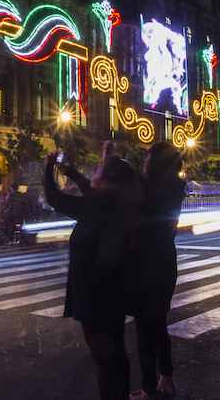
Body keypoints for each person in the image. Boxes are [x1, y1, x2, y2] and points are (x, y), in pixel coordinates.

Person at [44, 152, 140, 400]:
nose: (93, 174)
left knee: (104, 357)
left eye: (98, 170)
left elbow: (55, 198)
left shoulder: (99, 204)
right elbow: (92, 193)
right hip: (111, 287)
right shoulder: (116, 201)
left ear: (107, 180)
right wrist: (73, 173)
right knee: (115, 351)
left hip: (94, 291)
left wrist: (48, 168)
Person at [125, 142, 186, 400]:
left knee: (145, 327)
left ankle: (149, 388)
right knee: (158, 322)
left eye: (149, 156)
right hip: (164, 260)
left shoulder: (150, 190)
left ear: (157, 162)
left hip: (146, 261)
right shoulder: (175, 187)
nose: (145, 160)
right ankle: (166, 378)